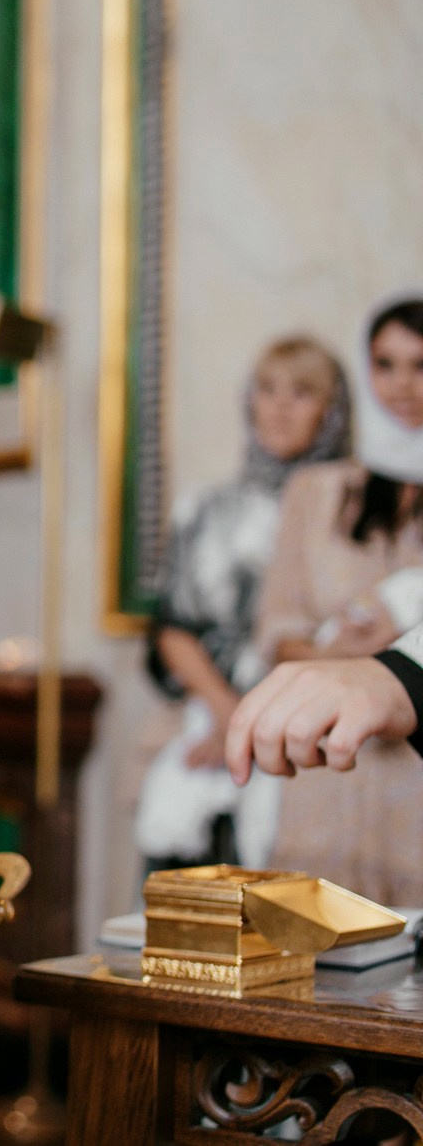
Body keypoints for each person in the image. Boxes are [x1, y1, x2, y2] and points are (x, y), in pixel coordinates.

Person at [133, 338, 349, 871]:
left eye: (301, 392)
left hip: (310, 739)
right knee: (183, 900)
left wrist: (264, 722)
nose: (280, 406)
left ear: (331, 410)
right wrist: (231, 715)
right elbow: (172, 627)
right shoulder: (207, 508)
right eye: (267, 389)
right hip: (208, 727)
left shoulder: (353, 515)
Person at [233, 297, 423, 901]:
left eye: (421, 366)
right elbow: (278, 635)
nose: (402, 385)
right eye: (385, 364)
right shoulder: (317, 490)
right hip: (325, 778)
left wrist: (392, 666)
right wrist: (359, 664)